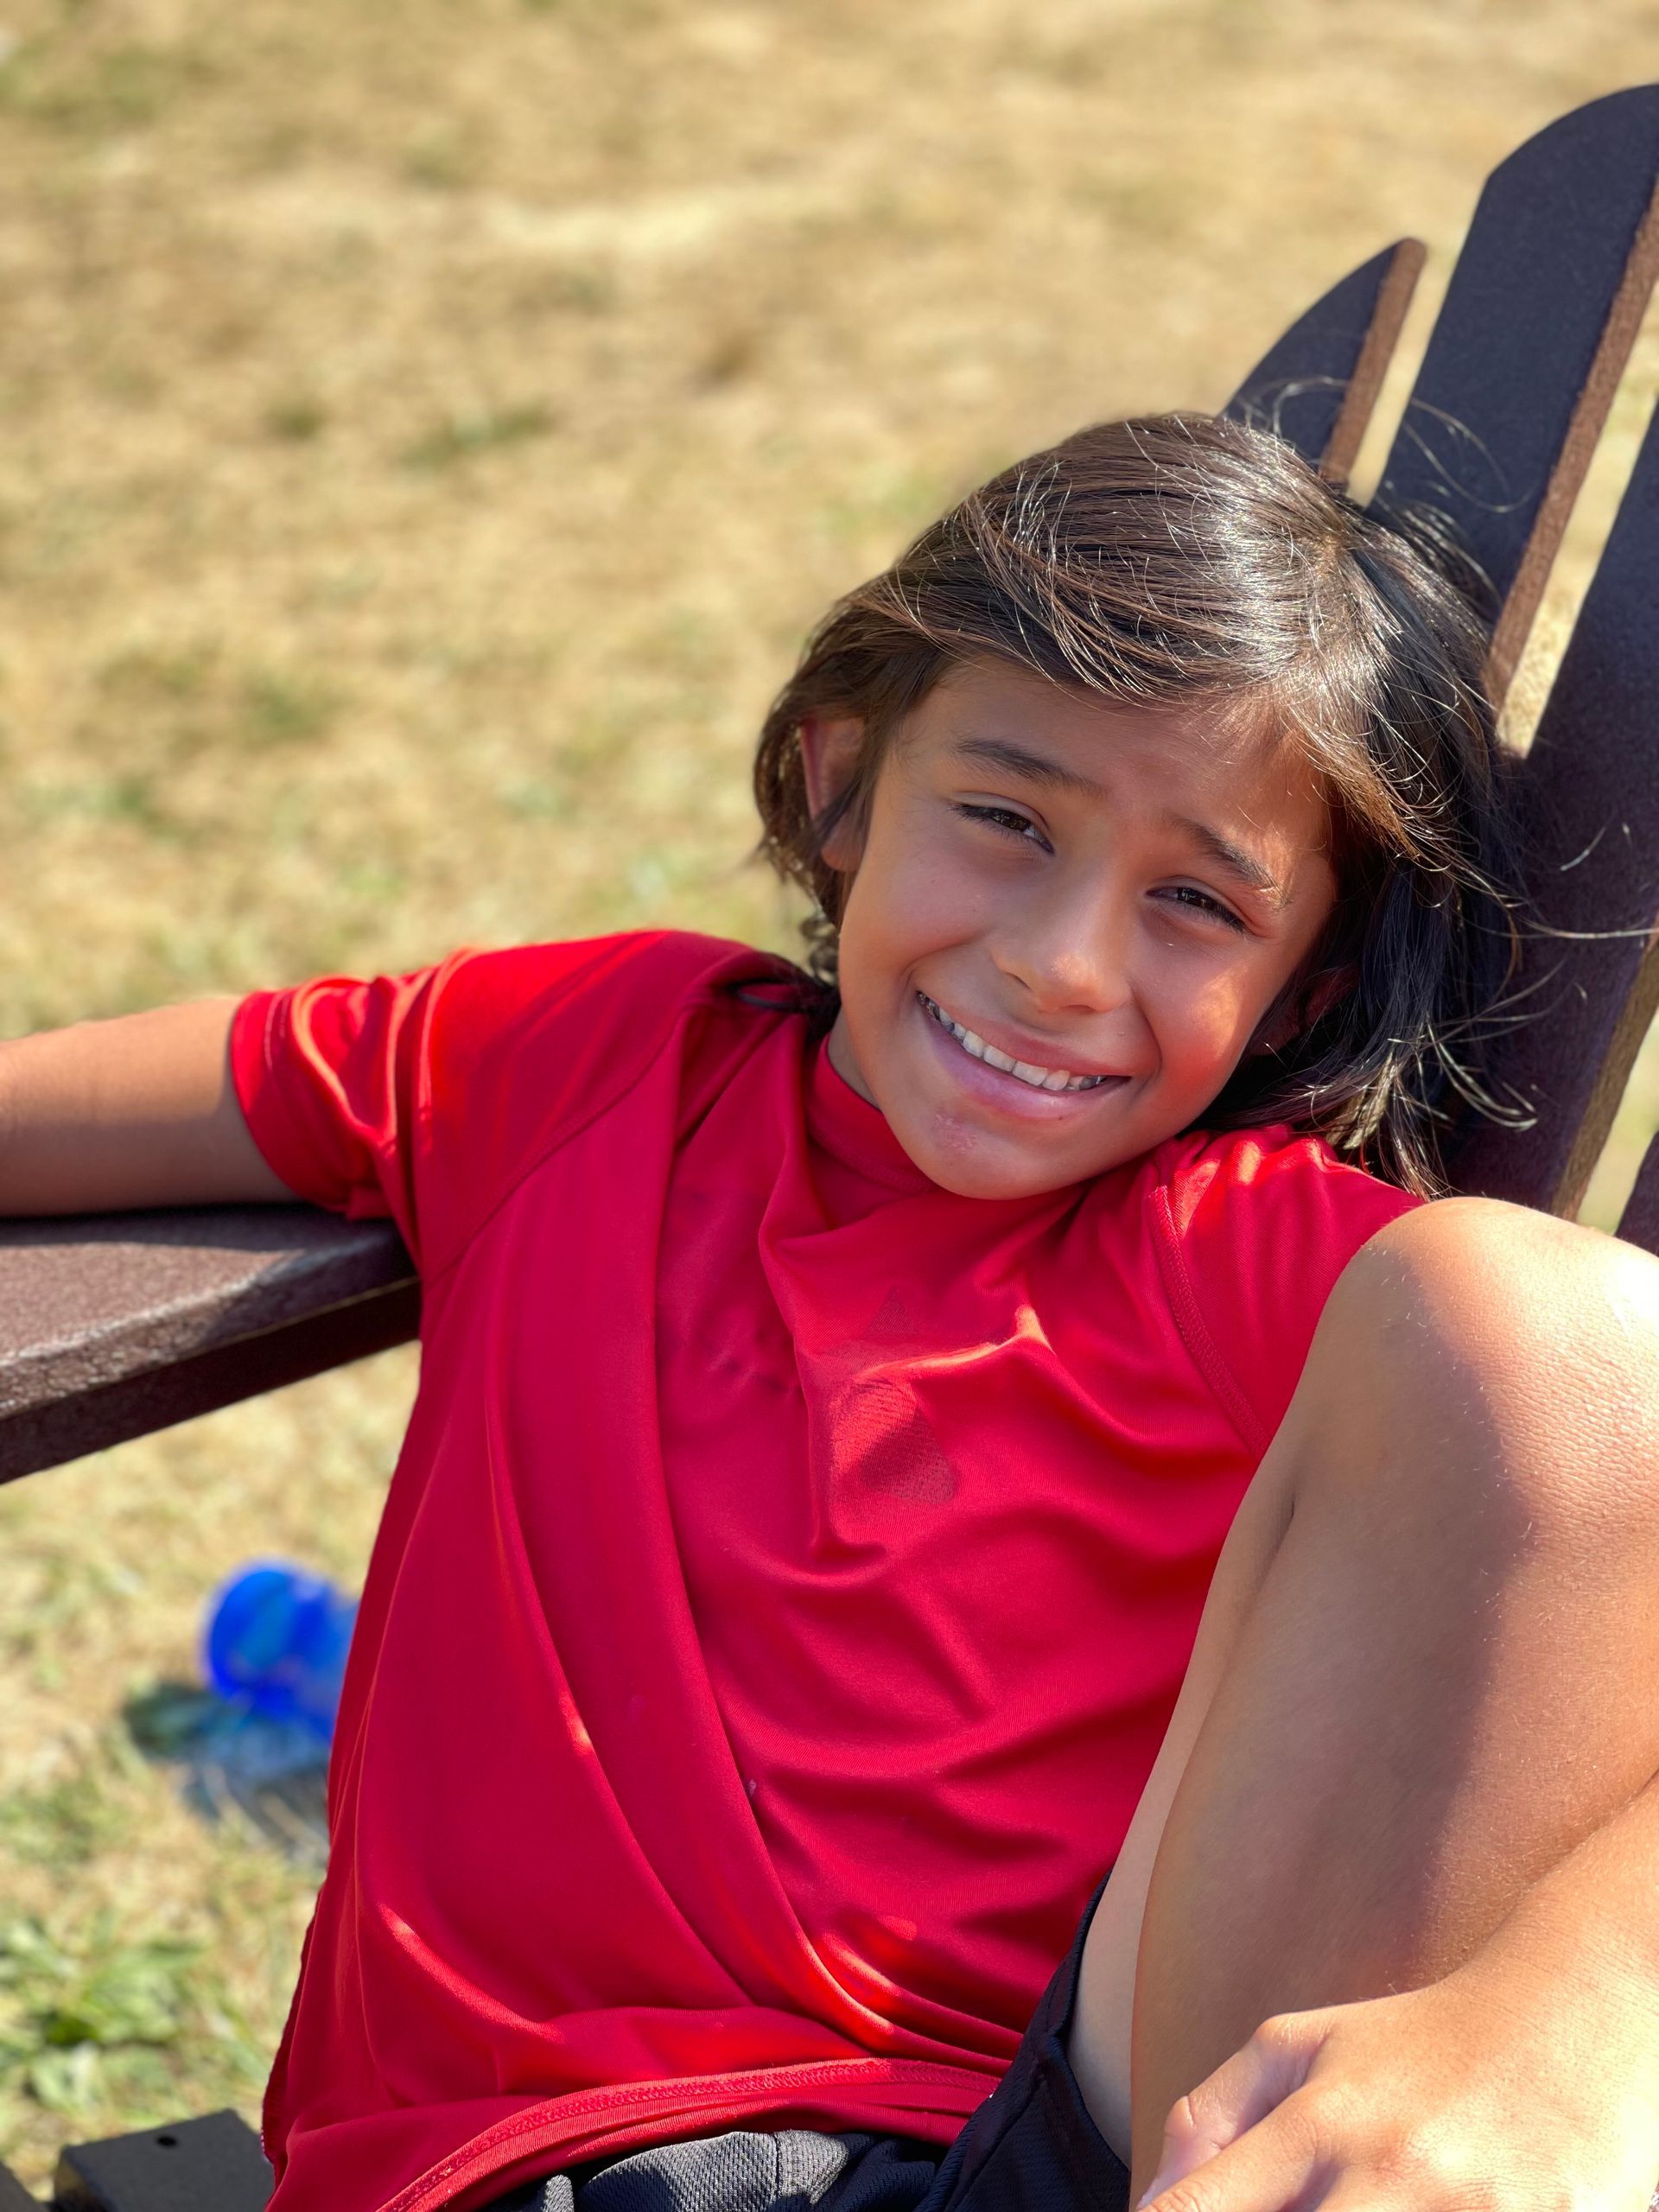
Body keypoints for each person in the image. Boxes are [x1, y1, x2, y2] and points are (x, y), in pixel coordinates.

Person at [6, 413, 1659, 2212]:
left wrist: (1588, 2003)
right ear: (839, 781)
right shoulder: (578, 1066)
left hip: (1034, 2154)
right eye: (1005, 819)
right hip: (531, 2172)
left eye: (1197, 900)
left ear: (1296, 986)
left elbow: (1581, 1401)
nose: (1061, 959)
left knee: (1536, 1320)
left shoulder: (1239, 1263)